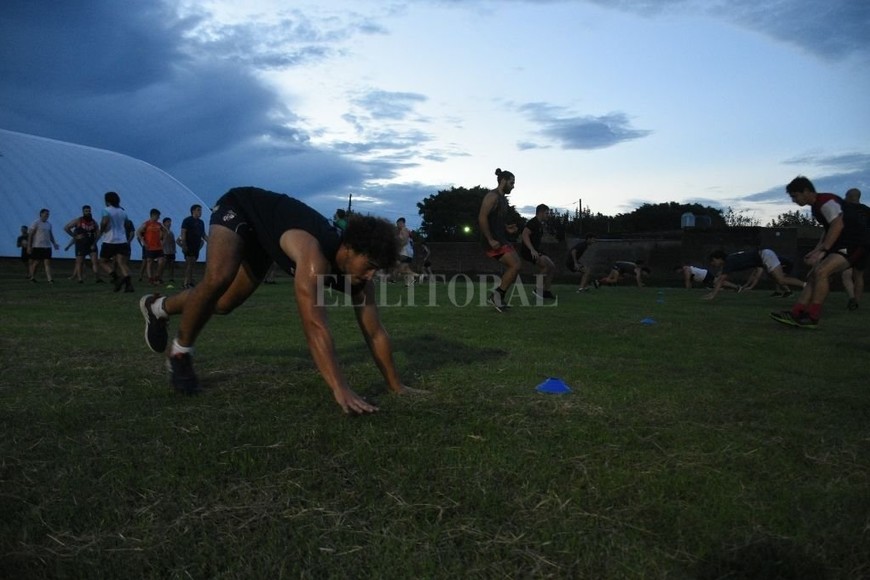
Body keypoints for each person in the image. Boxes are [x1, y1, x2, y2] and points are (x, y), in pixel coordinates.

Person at [139, 186, 421, 413]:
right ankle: (180, 353)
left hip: (266, 238)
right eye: (369, 265)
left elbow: (374, 332)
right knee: (218, 279)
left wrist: (395, 385)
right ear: (348, 249)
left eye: (377, 269)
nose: (372, 275)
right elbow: (314, 326)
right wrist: (340, 386)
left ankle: (157, 307)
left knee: (224, 304)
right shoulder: (315, 257)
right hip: (241, 208)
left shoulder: (360, 278)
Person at [771, 176, 870, 328]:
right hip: (843, 243)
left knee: (822, 272)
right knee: (813, 275)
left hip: (856, 243)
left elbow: (837, 225)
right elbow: (829, 230)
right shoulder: (816, 207)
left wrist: (823, 250)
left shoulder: (825, 201)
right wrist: (816, 250)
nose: (793, 200)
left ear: (805, 191)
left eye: (795, 196)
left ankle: (813, 316)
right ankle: (797, 312)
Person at [478, 168, 521, 312]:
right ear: (503, 181)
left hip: (501, 239)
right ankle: (496, 297)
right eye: (512, 182)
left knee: (517, 265)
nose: (513, 186)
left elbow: (496, 221)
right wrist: (490, 239)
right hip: (491, 242)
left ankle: (498, 297)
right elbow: (482, 217)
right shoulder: (492, 196)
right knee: (514, 265)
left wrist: (507, 228)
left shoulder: (503, 199)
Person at [704, 249, 805, 300]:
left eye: (713, 261)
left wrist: (713, 294)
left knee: (781, 280)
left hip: (765, 256)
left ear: (718, 258)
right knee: (777, 279)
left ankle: (806, 285)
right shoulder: (730, 260)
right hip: (764, 257)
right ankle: (789, 290)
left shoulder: (729, 262)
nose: (713, 264)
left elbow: (721, 279)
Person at [839, 188, 869, 310]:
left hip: (850, 245)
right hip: (865, 246)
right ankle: (856, 301)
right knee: (859, 275)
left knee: (845, 273)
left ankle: (852, 298)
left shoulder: (846, 210)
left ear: (849, 196)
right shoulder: (867, 210)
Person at [98, 191, 134, 292]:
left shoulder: (106, 210)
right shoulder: (122, 212)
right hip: (122, 240)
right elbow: (127, 224)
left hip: (110, 240)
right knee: (122, 263)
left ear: (107, 201)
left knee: (102, 261)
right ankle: (129, 285)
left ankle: (116, 278)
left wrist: (102, 230)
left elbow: (104, 221)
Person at [519, 203, 556, 299]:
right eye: (547, 213)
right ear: (540, 213)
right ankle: (538, 290)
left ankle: (547, 291)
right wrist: (532, 250)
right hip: (528, 251)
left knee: (552, 266)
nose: (548, 215)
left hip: (536, 250)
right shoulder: (533, 222)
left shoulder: (539, 224)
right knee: (545, 267)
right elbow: (524, 235)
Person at [63, 205, 102, 283]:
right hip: (81, 245)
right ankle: (80, 279)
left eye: (89, 211)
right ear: (83, 212)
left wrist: (95, 242)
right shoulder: (78, 220)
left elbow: (98, 233)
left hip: (91, 244)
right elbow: (66, 227)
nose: (88, 212)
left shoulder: (93, 222)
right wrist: (75, 236)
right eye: (86, 211)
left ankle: (98, 278)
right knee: (79, 262)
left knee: (95, 261)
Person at [27, 208, 60, 283]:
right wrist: (29, 246)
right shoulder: (36, 223)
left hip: (47, 246)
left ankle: (49, 279)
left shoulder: (49, 224)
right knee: (36, 262)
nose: (47, 215)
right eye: (46, 213)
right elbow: (31, 235)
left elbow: (50, 235)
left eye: (48, 214)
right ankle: (32, 277)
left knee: (47, 262)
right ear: (41, 214)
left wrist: (54, 243)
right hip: (38, 246)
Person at [180, 204, 208, 289]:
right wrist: (184, 245)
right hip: (189, 245)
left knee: (192, 264)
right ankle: (186, 283)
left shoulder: (201, 222)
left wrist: (211, 242)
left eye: (200, 210)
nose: (200, 212)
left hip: (196, 246)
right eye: (198, 210)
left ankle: (190, 281)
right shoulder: (187, 220)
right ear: (193, 211)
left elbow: (203, 234)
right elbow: (183, 232)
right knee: (189, 263)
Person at [136, 208, 167, 285]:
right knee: (149, 261)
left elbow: (166, 232)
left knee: (161, 261)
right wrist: (144, 242)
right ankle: (150, 278)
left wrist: (163, 241)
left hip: (158, 246)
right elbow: (138, 232)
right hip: (149, 246)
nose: (158, 218)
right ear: (153, 215)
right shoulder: (146, 224)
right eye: (157, 216)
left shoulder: (159, 224)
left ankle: (157, 276)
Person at [395, 217, 417, 286]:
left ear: (402, 223)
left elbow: (403, 241)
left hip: (405, 252)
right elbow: (412, 243)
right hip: (409, 252)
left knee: (399, 266)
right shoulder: (408, 231)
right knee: (405, 267)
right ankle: (408, 282)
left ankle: (413, 277)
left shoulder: (404, 230)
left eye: (398, 224)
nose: (397, 225)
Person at [159, 217, 179, 285]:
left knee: (172, 265)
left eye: (170, 222)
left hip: (171, 251)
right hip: (165, 251)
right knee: (163, 265)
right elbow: (160, 241)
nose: (169, 223)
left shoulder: (171, 232)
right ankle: (160, 277)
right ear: (164, 223)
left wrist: (174, 249)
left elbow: (173, 242)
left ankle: (171, 278)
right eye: (168, 222)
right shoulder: (162, 232)